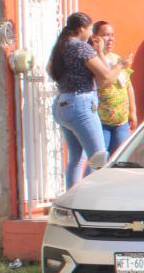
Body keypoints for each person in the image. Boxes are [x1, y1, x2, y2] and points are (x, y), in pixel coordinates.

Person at [46, 11, 114, 187]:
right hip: (81, 103)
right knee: (99, 156)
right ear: (82, 28)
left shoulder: (60, 46)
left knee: (77, 158)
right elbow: (106, 76)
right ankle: (90, 199)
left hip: (63, 101)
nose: (91, 34)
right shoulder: (80, 47)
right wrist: (121, 65)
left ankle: (72, 198)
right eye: (90, 29)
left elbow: (49, 70)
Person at [89, 20, 135, 156]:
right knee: (99, 158)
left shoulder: (118, 58)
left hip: (121, 121)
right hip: (101, 120)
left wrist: (133, 111)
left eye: (112, 35)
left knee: (119, 157)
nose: (110, 39)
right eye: (105, 35)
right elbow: (104, 81)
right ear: (95, 37)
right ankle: (92, 178)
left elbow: (128, 86)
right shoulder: (92, 59)